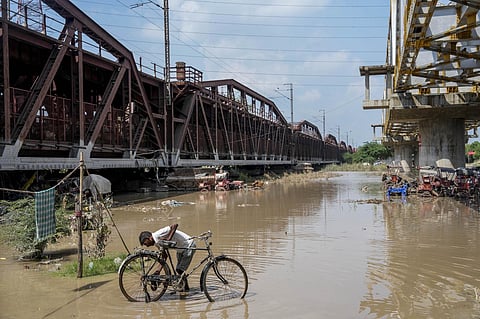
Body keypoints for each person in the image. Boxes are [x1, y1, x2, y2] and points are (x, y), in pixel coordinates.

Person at [139, 224, 195, 291]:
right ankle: (184, 289)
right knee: (180, 271)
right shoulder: (156, 242)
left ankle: (185, 289)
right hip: (180, 249)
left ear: (148, 238)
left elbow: (174, 225)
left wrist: (169, 239)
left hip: (189, 245)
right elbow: (164, 256)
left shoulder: (158, 234)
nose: (147, 246)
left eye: (145, 243)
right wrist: (157, 271)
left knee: (180, 270)